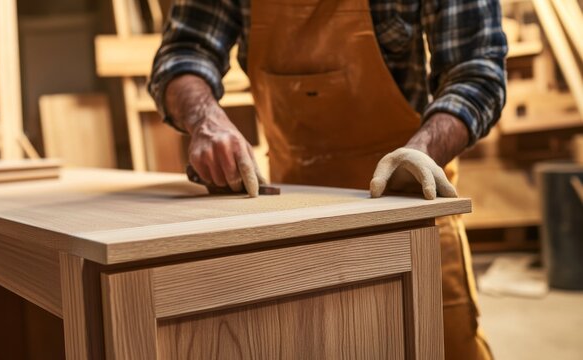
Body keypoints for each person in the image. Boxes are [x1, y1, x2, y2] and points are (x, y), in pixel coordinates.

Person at [150, 0, 507, 358]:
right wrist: (204, 118)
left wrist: (424, 149)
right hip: (294, 215)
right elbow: (184, 52)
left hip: (411, 202)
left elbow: (476, 71)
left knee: (441, 343)